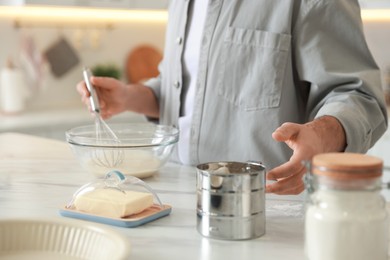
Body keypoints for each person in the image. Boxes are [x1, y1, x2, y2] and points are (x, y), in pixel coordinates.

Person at [77, 0, 388, 195]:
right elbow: (189, 91)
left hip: (268, 213)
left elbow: (361, 96)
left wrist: (322, 136)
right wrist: (130, 96)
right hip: (175, 198)